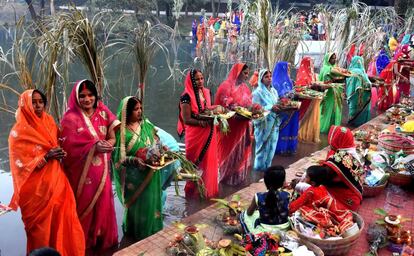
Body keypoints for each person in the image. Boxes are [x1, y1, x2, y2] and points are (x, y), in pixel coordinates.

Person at [8, 90, 85, 256]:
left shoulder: (49, 121)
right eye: (33, 102)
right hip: (35, 194)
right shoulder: (17, 133)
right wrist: (46, 157)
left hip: (57, 183)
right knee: (40, 232)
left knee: (64, 221)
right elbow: (20, 166)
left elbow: (55, 145)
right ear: (25, 104)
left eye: (40, 102)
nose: (37, 106)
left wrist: (59, 153)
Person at [60, 80, 119, 251]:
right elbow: (67, 148)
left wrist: (108, 144)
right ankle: (81, 245)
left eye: (90, 95)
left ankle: (103, 244)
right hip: (82, 176)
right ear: (76, 97)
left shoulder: (103, 111)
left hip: (102, 173)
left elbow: (112, 136)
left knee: (104, 205)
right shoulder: (70, 118)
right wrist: (94, 146)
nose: (87, 99)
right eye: (82, 96)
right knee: (84, 209)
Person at [112, 96, 179, 240]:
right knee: (138, 208)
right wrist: (135, 160)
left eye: (140, 108)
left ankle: (153, 231)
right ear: (127, 112)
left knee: (153, 203)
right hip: (134, 181)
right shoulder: (122, 132)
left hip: (151, 172)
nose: (140, 111)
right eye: (136, 109)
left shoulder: (146, 124)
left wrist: (163, 147)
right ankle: (136, 236)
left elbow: (156, 141)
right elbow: (119, 159)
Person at [177, 69, 224, 199]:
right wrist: (201, 122)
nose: (200, 81)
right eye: (197, 79)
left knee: (209, 163)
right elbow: (186, 119)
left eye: (202, 78)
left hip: (209, 131)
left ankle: (207, 193)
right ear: (191, 80)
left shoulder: (206, 92)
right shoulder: (186, 96)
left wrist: (218, 110)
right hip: (195, 136)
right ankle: (193, 195)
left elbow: (206, 109)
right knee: (194, 165)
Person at [214, 63, 252, 185]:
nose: (247, 76)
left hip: (242, 125)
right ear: (238, 72)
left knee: (240, 154)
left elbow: (249, 105)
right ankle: (224, 179)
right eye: (245, 73)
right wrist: (234, 110)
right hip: (229, 128)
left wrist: (254, 109)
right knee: (227, 153)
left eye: (248, 73)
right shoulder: (226, 86)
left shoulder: (245, 87)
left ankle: (236, 180)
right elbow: (222, 106)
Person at [289, 166, 354, 235]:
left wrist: (289, 207)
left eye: (307, 177)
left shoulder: (310, 191)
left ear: (313, 183)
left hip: (320, 211)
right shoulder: (322, 187)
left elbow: (294, 206)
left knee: (302, 209)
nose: (305, 178)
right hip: (325, 207)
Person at [323, 126, 364, 211]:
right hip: (354, 200)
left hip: (345, 204)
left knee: (311, 190)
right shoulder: (352, 153)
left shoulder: (339, 158)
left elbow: (323, 179)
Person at [240, 166, 290, 234]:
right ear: (282, 182)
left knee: (243, 215)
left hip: (266, 231)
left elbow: (249, 213)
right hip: (284, 228)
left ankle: (243, 230)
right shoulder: (287, 195)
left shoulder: (258, 196)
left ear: (266, 181)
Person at [252, 69, 280, 171]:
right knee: (262, 147)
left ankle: (267, 168)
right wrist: (270, 107)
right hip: (263, 125)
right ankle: (259, 169)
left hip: (274, 123)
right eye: (266, 77)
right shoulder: (257, 93)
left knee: (272, 146)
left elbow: (277, 103)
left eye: (270, 76)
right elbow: (255, 108)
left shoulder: (274, 91)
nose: (269, 79)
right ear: (261, 79)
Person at [318, 53, 350, 133]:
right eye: (332, 58)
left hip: (337, 93)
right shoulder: (326, 68)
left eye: (335, 58)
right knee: (327, 111)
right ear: (328, 59)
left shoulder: (336, 68)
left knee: (335, 111)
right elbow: (325, 80)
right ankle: (324, 129)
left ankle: (334, 129)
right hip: (329, 94)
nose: (334, 60)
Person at [272, 61, 299, 154]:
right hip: (283, 108)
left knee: (291, 127)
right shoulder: (276, 81)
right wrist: (286, 96)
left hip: (291, 107)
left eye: (288, 68)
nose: (288, 70)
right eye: (287, 68)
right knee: (284, 128)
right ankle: (280, 147)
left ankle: (289, 147)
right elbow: (276, 95)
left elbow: (292, 91)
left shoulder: (289, 80)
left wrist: (293, 94)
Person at [295, 57, 321, 143]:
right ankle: (302, 135)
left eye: (312, 63)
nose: (312, 65)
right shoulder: (302, 74)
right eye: (310, 63)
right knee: (305, 118)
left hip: (313, 99)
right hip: (306, 100)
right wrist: (310, 86)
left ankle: (310, 136)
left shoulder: (312, 74)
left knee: (312, 118)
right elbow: (300, 88)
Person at [378, 45, 411, 110]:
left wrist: (401, 79)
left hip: (389, 77)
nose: (403, 60)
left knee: (391, 90)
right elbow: (396, 72)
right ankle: (385, 105)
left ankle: (389, 104)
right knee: (387, 90)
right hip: (386, 76)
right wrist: (404, 78)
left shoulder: (399, 63)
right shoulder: (395, 62)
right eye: (402, 58)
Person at [346, 56, 372, 126]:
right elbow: (367, 83)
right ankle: (359, 124)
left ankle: (351, 123)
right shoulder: (360, 71)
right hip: (360, 94)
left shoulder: (349, 70)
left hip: (351, 93)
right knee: (360, 109)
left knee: (353, 108)